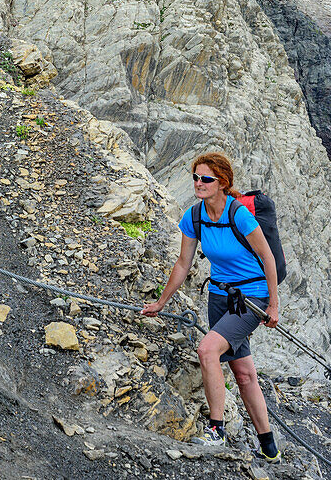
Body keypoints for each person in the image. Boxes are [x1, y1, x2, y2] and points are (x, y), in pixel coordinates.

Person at [141, 151, 281, 461]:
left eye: (207, 178)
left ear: (223, 183)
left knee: (207, 350)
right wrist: (162, 302)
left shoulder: (238, 215)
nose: (199, 183)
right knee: (243, 374)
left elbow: (268, 258)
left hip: (251, 298)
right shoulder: (195, 216)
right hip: (219, 298)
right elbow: (183, 262)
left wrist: (273, 304)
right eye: (196, 177)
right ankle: (270, 449)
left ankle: (215, 430)